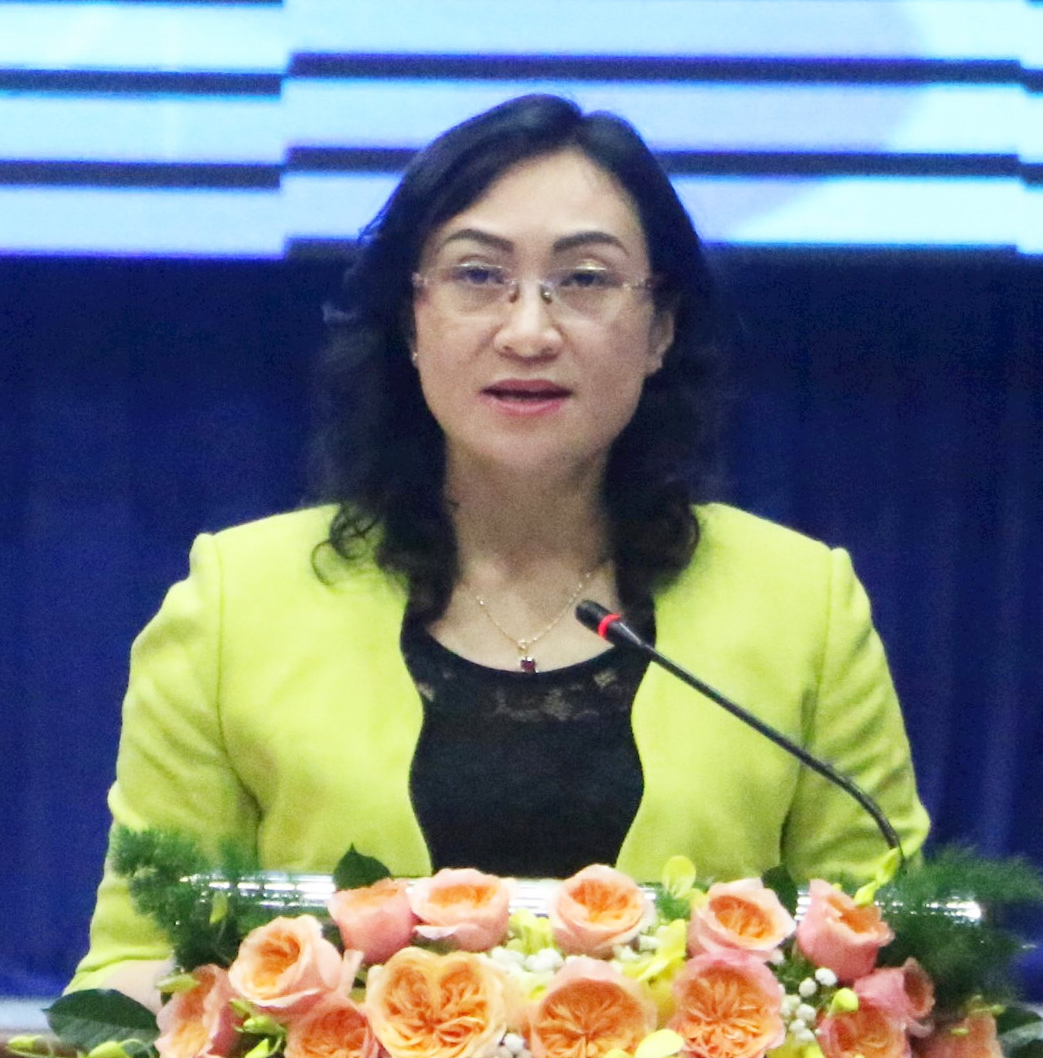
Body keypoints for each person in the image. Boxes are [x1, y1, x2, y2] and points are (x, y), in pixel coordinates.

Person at [70, 94, 930, 1002]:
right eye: (478, 276)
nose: (528, 331)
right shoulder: (237, 605)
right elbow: (135, 968)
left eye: (585, 279)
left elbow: (897, 969)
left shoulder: (801, 606)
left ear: (661, 328)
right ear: (410, 319)